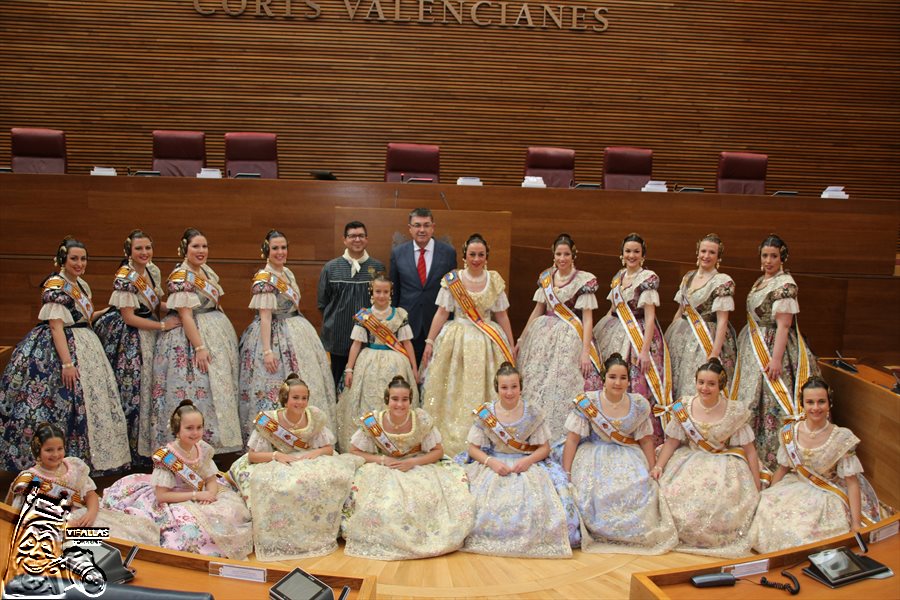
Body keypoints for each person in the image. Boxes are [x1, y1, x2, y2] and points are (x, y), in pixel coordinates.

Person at [0, 237, 130, 475]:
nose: (80, 263)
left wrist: (108, 312)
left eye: (83, 259)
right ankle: (49, 463)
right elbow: (56, 327)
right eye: (74, 259)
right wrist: (67, 363)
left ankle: (83, 463)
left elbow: (83, 318)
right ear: (63, 259)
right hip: (58, 351)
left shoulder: (80, 284)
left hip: (85, 343)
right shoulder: (56, 286)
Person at [228, 374, 363, 560]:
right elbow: (252, 455)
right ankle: (280, 537)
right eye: (295, 398)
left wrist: (313, 454)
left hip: (309, 458)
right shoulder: (269, 421)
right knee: (280, 485)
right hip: (274, 460)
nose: (300, 402)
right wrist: (276, 455)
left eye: (304, 398)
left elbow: (328, 448)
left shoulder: (314, 417)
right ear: (285, 398)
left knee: (329, 479)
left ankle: (322, 531)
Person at [342, 376, 475, 560]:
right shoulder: (374, 421)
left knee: (424, 499)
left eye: (404, 399)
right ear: (387, 400)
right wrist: (381, 459)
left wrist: (411, 463)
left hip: (417, 465)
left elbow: (437, 451)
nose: (399, 404)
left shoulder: (420, 419)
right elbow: (354, 451)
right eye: (395, 399)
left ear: (410, 401)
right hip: (383, 467)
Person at [101, 401, 253, 560]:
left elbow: (210, 479)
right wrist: (197, 496)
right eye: (189, 428)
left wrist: (210, 494)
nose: (195, 432)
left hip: (200, 494)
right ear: (177, 430)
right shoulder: (167, 456)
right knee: (191, 531)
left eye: (199, 427)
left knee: (231, 514)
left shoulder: (203, 448)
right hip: (174, 499)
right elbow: (161, 496)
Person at [561, 353, 677, 555]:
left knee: (638, 488)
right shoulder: (588, 402)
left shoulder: (638, 404)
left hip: (628, 455)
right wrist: (567, 473)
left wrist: (653, 469)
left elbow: (646, 440)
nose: (618, 382)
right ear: (604, 379)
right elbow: (572, 439)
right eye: (613, 377)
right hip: (593, 456)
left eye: (623, 378)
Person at [749, 378, 881, 553]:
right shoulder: (790, 432)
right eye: (810, 402)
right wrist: (767, 495)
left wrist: (856, 524)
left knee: (803, 534)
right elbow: (782, 469)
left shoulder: (841, 437)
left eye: (821, 402)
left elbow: (852, 482)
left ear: (829, 404)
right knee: (766, 514)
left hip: (827, 494)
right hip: (795, 487)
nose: (816, 408)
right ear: (803, 404)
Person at [461, 362, 576, 557]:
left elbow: (544, 448)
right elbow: (472, 449)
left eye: (514, 387)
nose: (509, 392)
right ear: (497, 388)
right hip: (493, 463)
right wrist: (491, 462)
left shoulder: (532, 412)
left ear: (521, 387)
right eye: (504, 387)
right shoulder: (486, 414)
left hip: (526, 464)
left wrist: (528, 461)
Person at [652, 360, 761, 558]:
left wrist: (756, 481)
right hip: (688, 460)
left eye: (711, 383)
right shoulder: (684, 406)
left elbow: (750, 450)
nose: (705, 388)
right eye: (701, 382)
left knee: (720, 500)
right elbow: (672, 442)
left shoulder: (734, 411)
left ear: (721, 386)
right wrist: (659, 466)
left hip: (723, 462)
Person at [148, 228, 242, 455]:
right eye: (196, 247)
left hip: (214, 331)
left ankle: (212, 446)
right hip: (188, 340)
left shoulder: (207, 272)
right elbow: (185, 315)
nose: (201, 251)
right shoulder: (181, 277)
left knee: (216, 389)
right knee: (194, 386)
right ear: (184, 249)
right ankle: (185, 445)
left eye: (204, 246)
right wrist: (200, 347)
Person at [420, 234, 516, 456]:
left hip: (488, 342)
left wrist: (510, 345)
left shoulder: (494, 280)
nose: (476, 258)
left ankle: (490, 434)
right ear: (464, 256)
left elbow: (502, 315)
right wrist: (430, 341)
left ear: (486, 257)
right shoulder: (453, 280)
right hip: (457, 340)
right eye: (472, 254)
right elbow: (442, 313)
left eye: (481, 254)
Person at [239, 230, 336, 441]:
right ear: (266, 250)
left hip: (297, 330)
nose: (280, 252)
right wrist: (267, 351)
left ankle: (306, 433)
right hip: (272, 335)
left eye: (283, 248)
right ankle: (274, 437)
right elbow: (265, 317)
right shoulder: (264, 280)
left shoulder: (288, 273)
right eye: (275, 248)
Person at [94, 230, 179, 465]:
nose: (144, 253)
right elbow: (129, 317)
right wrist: (162, 325)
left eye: (148, 248)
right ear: (128, 252)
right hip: (129, 338)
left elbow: (154, 303)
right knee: (132, 392)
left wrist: (183, 304)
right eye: (139, 249)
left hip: (148, 330)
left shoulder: (152, 271)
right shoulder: (125, 277)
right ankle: (129, 452)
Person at [733, 234, 818, 470]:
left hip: (773, 346)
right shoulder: (761, 281)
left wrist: (776, 358)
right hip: (753, 343)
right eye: (765, 255)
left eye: (774, 256)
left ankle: (772, 456)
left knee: (769, 397)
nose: (768, 260)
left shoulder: (785, 285)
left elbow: (784, 324)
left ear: (782, 258)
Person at [6, 423, 159, 546]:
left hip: (83, 516)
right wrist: (65, 524)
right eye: (49, 450)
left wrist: (91, 514)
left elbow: (90, 494)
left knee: (134, 531)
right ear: (38, 451)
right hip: (54, 527)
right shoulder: (31, 478)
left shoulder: (73, 466)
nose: (56, 454)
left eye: (60, 449)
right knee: (94, 544)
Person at [517, 234, 601, 440]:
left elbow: (588, 319)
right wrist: (522, 338)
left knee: (562, 381)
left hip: (570, 337)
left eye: (566, 254)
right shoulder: (546, 278)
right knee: (537, 380)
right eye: (558, 254)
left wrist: (584, 351)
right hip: (543, 334)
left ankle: (560, 433)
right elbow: (537, 310)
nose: (562, 258)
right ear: (553, 255)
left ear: (573, 255)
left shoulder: (584, 280)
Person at [594, 233, 668, 446]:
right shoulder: (618, 277)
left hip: (639, 334)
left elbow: (650, 315)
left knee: (638, 382)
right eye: (628, 251)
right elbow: (612, 308)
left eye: (636, 251)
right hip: (615, 329)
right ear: (622, 254)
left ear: (643, 255)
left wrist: (644, 351)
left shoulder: (648, 278)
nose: (631, 255)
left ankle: (640, 436)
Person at [337, 274, 418, 451]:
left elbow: (407, 343)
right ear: (371, 293)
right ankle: (369, 443)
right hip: (369, 361)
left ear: (391, 293)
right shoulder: (365, 316)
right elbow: (356, 344)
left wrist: (413, 367)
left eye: (385, 292)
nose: (381, 295)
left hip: (396, 362)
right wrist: (349, 369)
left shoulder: (399, 315)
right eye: (378, 291)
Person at [664, 234, 737, 400]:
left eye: (712, 252)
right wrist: (671, 335)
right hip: (680, 335)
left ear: (718, 257)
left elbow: (723, 320)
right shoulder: (688, 277)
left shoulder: (722, 282)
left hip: (707, 338)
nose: (706, 255)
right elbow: (680, 309)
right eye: (703, 251)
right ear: (697, 253)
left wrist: (714, 353)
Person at [318, 221, 385, 388]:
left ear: (367, 239)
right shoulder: (331, 268)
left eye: (361, 236)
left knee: (366, 384)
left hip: (368, 340)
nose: (357, 239)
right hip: (338, 337)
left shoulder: (377, 267)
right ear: (344, 240)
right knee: (336, 382)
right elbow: (322, 302)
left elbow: (384, 300)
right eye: (352, 236)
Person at [390, 208, 458, 363]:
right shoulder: (398, 253)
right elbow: (395, 291)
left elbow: (452, 291)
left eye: (426, 225)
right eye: (417, 225)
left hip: (437, 323)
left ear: (433, 227)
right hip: (407, 324)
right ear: (410, 228)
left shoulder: (448, 252)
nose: (422, 230)